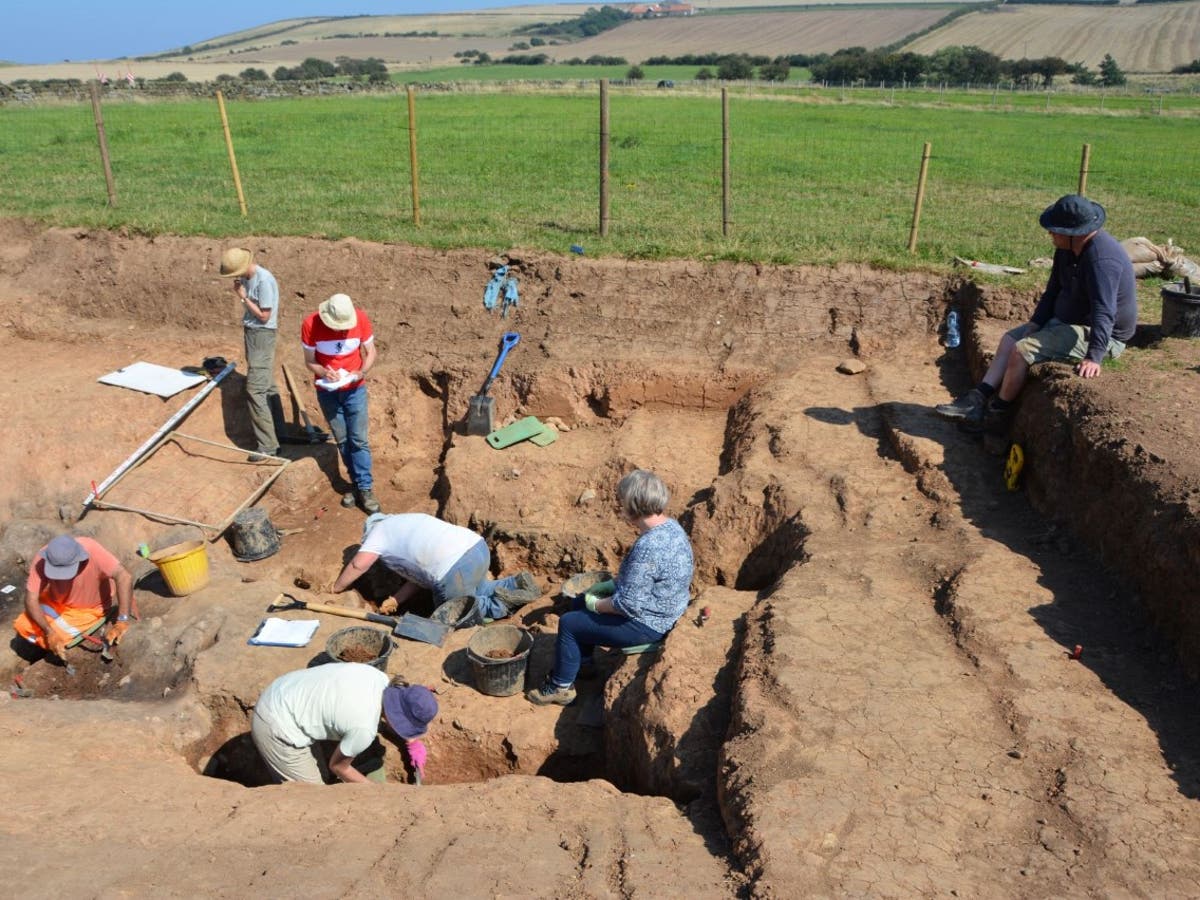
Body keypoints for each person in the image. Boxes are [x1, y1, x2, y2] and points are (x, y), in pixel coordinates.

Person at [936, 194, 1137, 434]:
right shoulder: (1066, 250)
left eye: (1054, 230)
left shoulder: (1102, 260)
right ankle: (977, 398)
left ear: (1073, 233)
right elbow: (1053, 291)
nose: (1050, 234)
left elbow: (1105, 310)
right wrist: (1036, 322)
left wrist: (1094, 356)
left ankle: (995, 416)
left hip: (1100, 334)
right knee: (1010, 340)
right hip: (1067, 322)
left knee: (1023, 351)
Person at [527, 469, 693, 706]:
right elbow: (649, 575)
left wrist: (597, 604)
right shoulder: (671, 527)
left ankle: (559, 687)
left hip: (649, 623)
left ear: (633, 506)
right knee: (577, 602)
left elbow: (627, 606)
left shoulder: (648, 547)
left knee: (569, 623)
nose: (620, 507)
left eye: (622, 502)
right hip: (665, 604)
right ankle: (582, 664)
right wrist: (611, 585)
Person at [251, 663, 438, 785]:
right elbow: (338, 766)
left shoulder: (378, 677)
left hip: (286, 690)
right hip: (277, 724)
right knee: (312, 796)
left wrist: (411, 741)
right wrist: (378, 793)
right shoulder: (363, 728)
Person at [332, 513, 540, 620]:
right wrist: (395, 600)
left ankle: (501, 606)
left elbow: (358, 564)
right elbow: (420, 578)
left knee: (453, 612)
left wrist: (337, 588)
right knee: (479, 588)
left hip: (453, 567)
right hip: (476, 548)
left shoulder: (378, 533)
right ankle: (517, 583)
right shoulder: (406, 522)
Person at [301, 292, 380, 514]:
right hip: (328, 391)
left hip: (355, 389)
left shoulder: (361, 319)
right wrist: (324, 371)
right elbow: (309, 361)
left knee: (359, 439)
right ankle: (355, 484)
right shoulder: (310, 324)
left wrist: (360, 371)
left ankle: (365, 488)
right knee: (343, 439)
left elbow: (371, 351)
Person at [13, 534, 134, 661]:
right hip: (55, 601)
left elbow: (124, 576)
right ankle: (47, 641)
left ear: (80, 559)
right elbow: (31, 599)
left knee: (62, 639)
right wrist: (49, 632)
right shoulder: (43, 558)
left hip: (88, 609)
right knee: (22, 625)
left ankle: (49, 644)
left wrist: (122, 620)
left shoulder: (92, 550)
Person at [220, 247, 282, 460]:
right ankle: (280, 432)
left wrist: (243, 298)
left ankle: (267, 446)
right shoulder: (248, 277)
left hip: (262, 335)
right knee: (267, 384)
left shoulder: (264, 281)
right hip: (253, 334)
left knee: (255, 390)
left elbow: (264, 316)